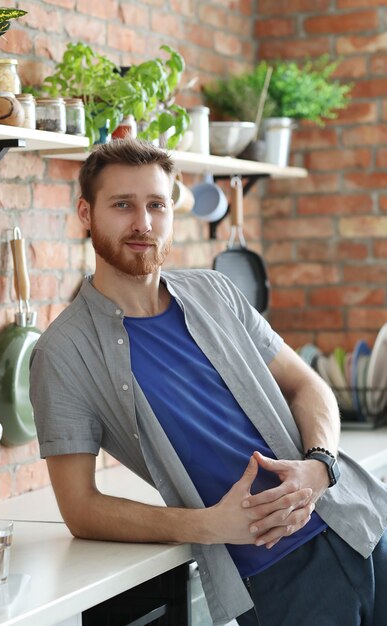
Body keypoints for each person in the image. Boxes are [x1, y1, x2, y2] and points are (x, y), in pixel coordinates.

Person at [29, 138, 387, 626]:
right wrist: (207, 525)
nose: (143, 223)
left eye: (157, 204)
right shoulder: (63, 352)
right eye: (123, 205)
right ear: (85, 213)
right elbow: (80, 507)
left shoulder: (216, 291)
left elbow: (308, 385)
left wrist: (320, 465)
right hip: (275, 578)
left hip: (360, 523)